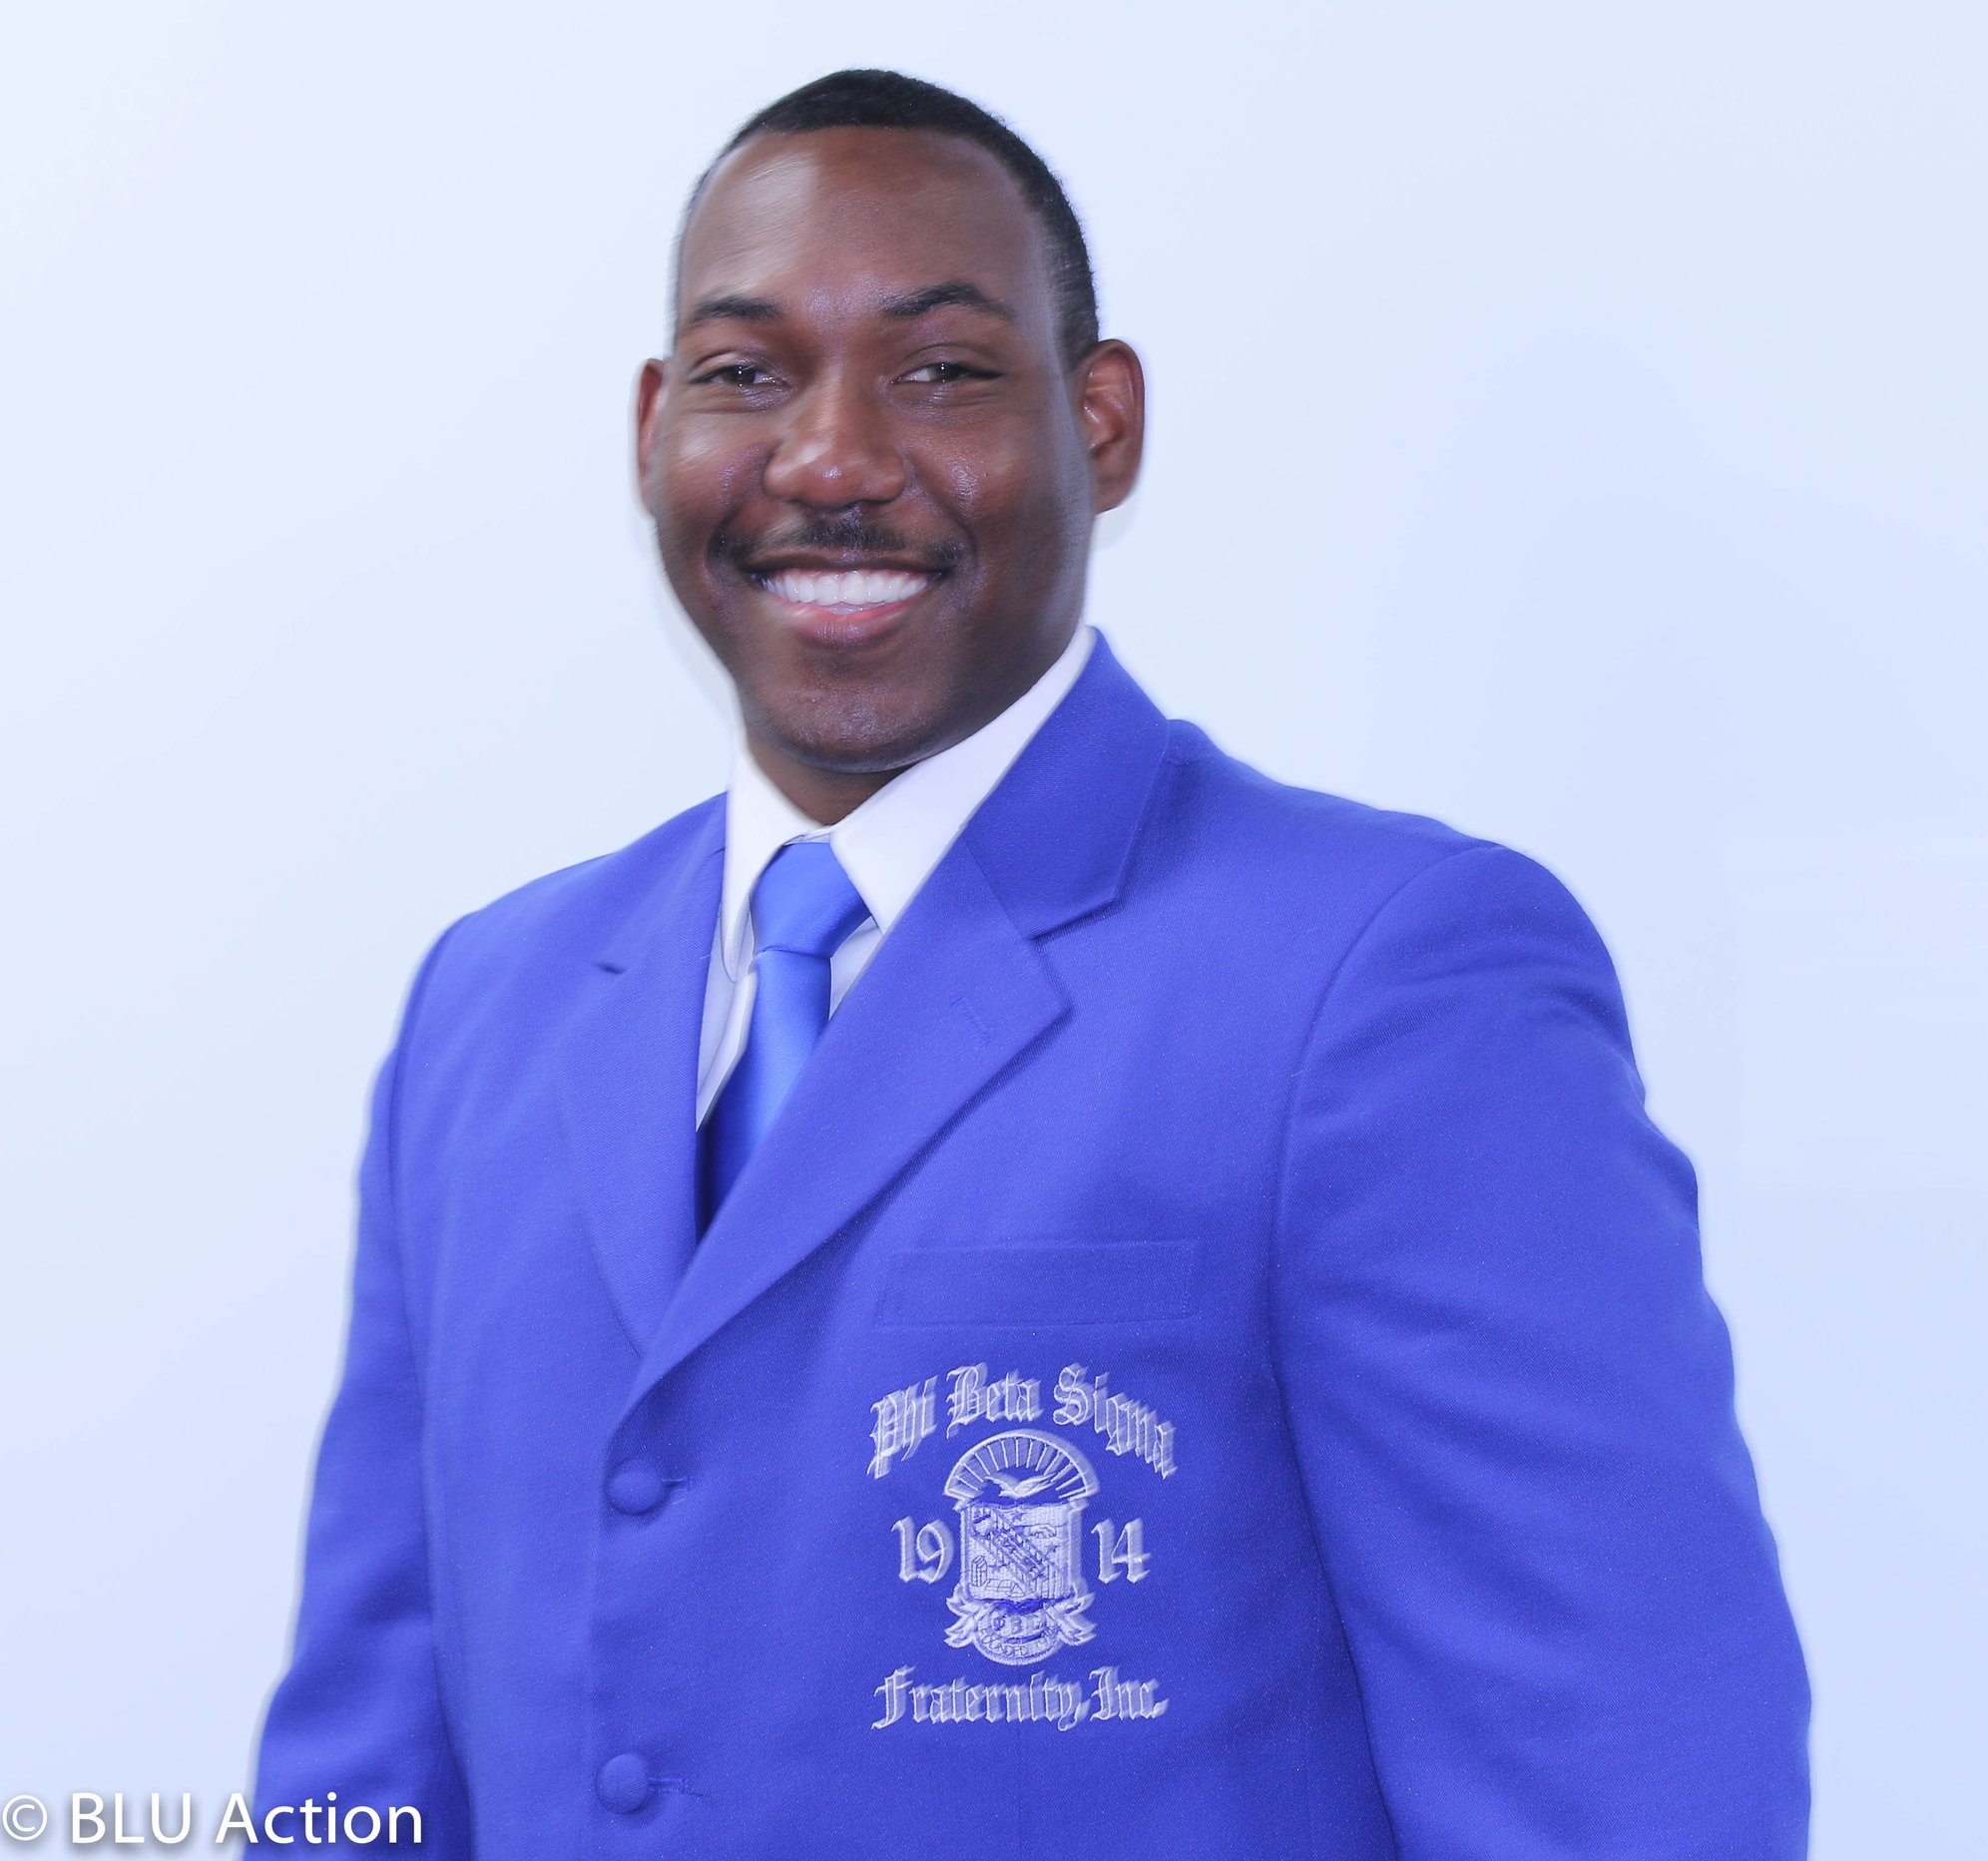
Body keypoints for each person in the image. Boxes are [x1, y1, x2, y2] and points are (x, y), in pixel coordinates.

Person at [252, 68, 1810, 1857]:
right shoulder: (488, 1006)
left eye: (940, 370)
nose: (829, 458)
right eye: (746, 372)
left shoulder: (1389, 983)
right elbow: (359, 1781)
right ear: (650, 428)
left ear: (1105, 423)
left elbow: (1625, 1794)